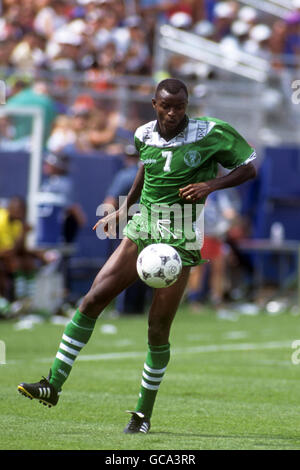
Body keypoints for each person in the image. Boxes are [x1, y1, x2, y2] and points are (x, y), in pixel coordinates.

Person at [18, 78, 256, 434]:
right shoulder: (142, 134)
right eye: (166, 106)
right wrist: (125, 209)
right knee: (91, 300)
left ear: (187, 104)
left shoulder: (212, 133)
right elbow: (144, 169)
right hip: (142, 226)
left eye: (180, 106)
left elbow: (249, 166)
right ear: (154, 104)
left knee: (157, 330)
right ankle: (52, 384)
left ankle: (142, 415)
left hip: (180, 235)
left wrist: (211, 185)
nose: (173, 113)